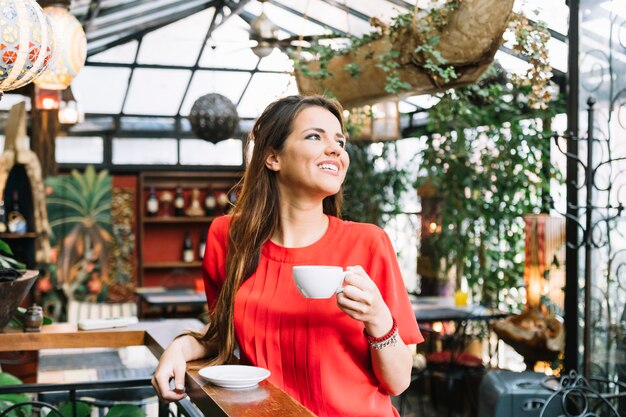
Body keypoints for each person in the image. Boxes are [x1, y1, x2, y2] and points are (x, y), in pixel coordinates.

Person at [151, 95, 423, 417]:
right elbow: (222, 336)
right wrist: (181, 347)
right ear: (272, 158)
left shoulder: (368, 243)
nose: (336, 149)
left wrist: (378, 319)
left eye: (339, 140)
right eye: (314, 136)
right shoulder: (228, 237)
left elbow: (398, 381)